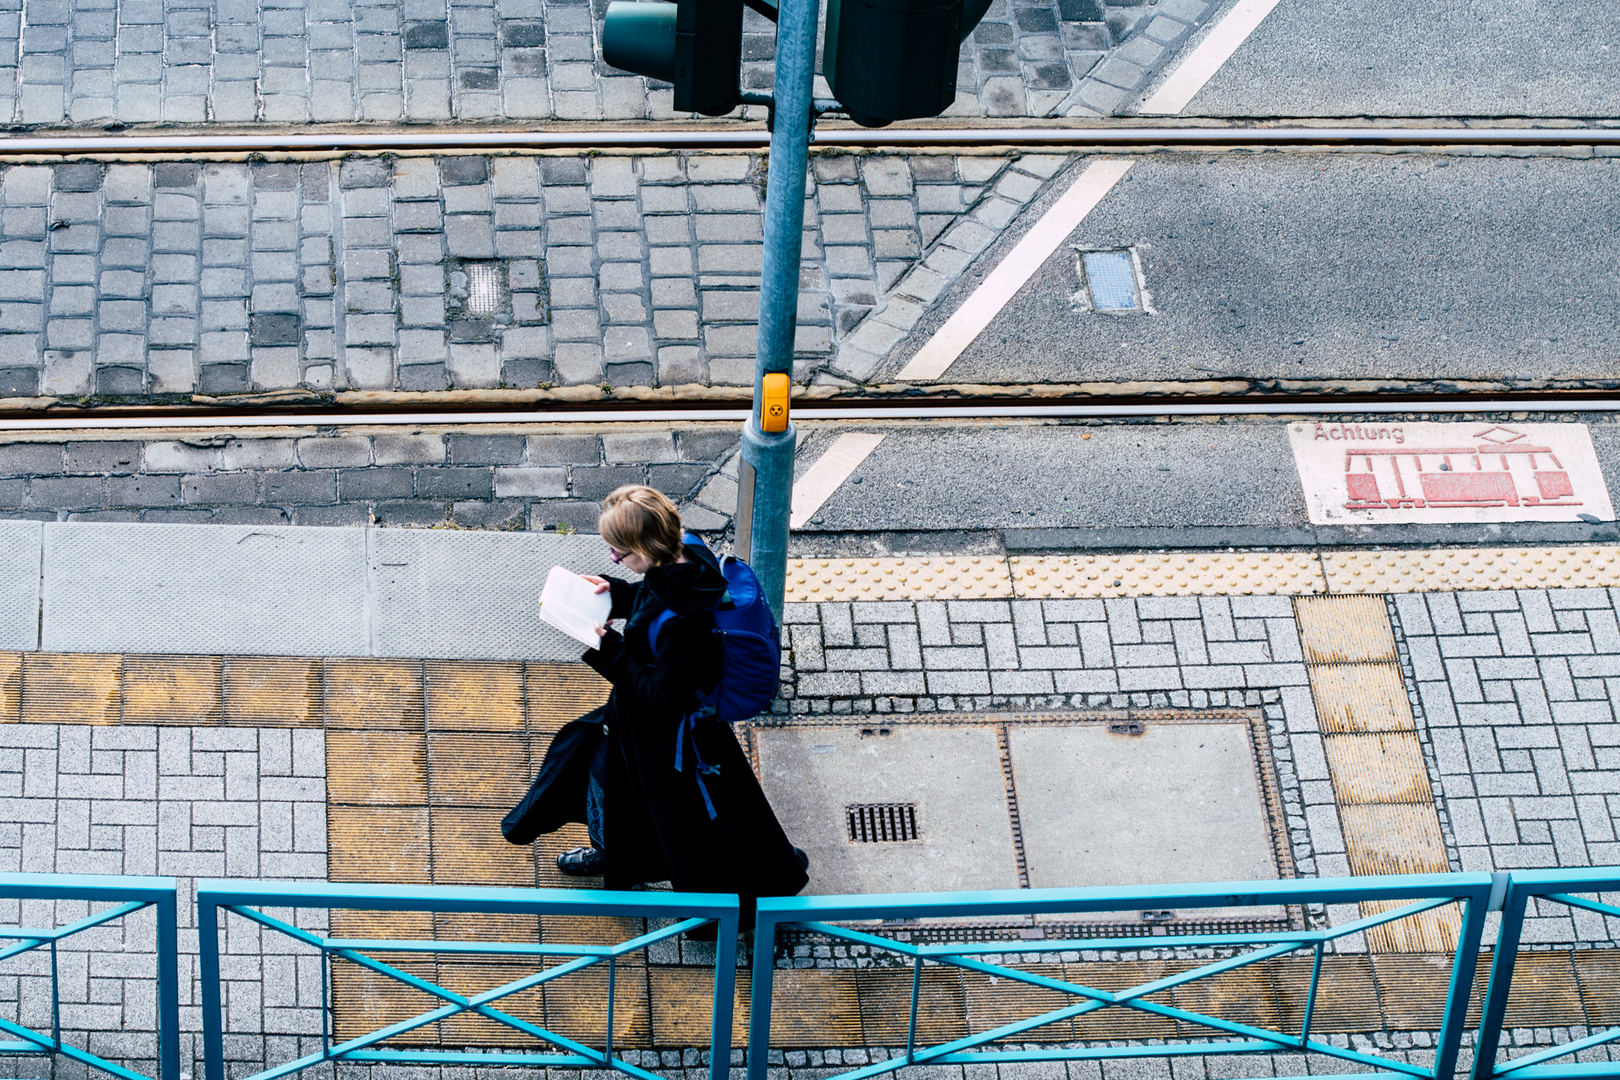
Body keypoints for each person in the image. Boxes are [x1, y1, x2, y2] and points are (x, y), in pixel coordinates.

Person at [502, 485, 809, 923]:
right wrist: (616, 593)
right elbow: (654, 596)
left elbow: (661, 697)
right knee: (675, 805)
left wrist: (607, 648)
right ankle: (763, 868)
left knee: (675, 818)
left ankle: (739, 890)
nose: (613, 559)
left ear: (648, 546)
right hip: (658, 730)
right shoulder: (687, 555)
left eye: (621, 554)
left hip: (665, 741)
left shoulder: (684, 626)